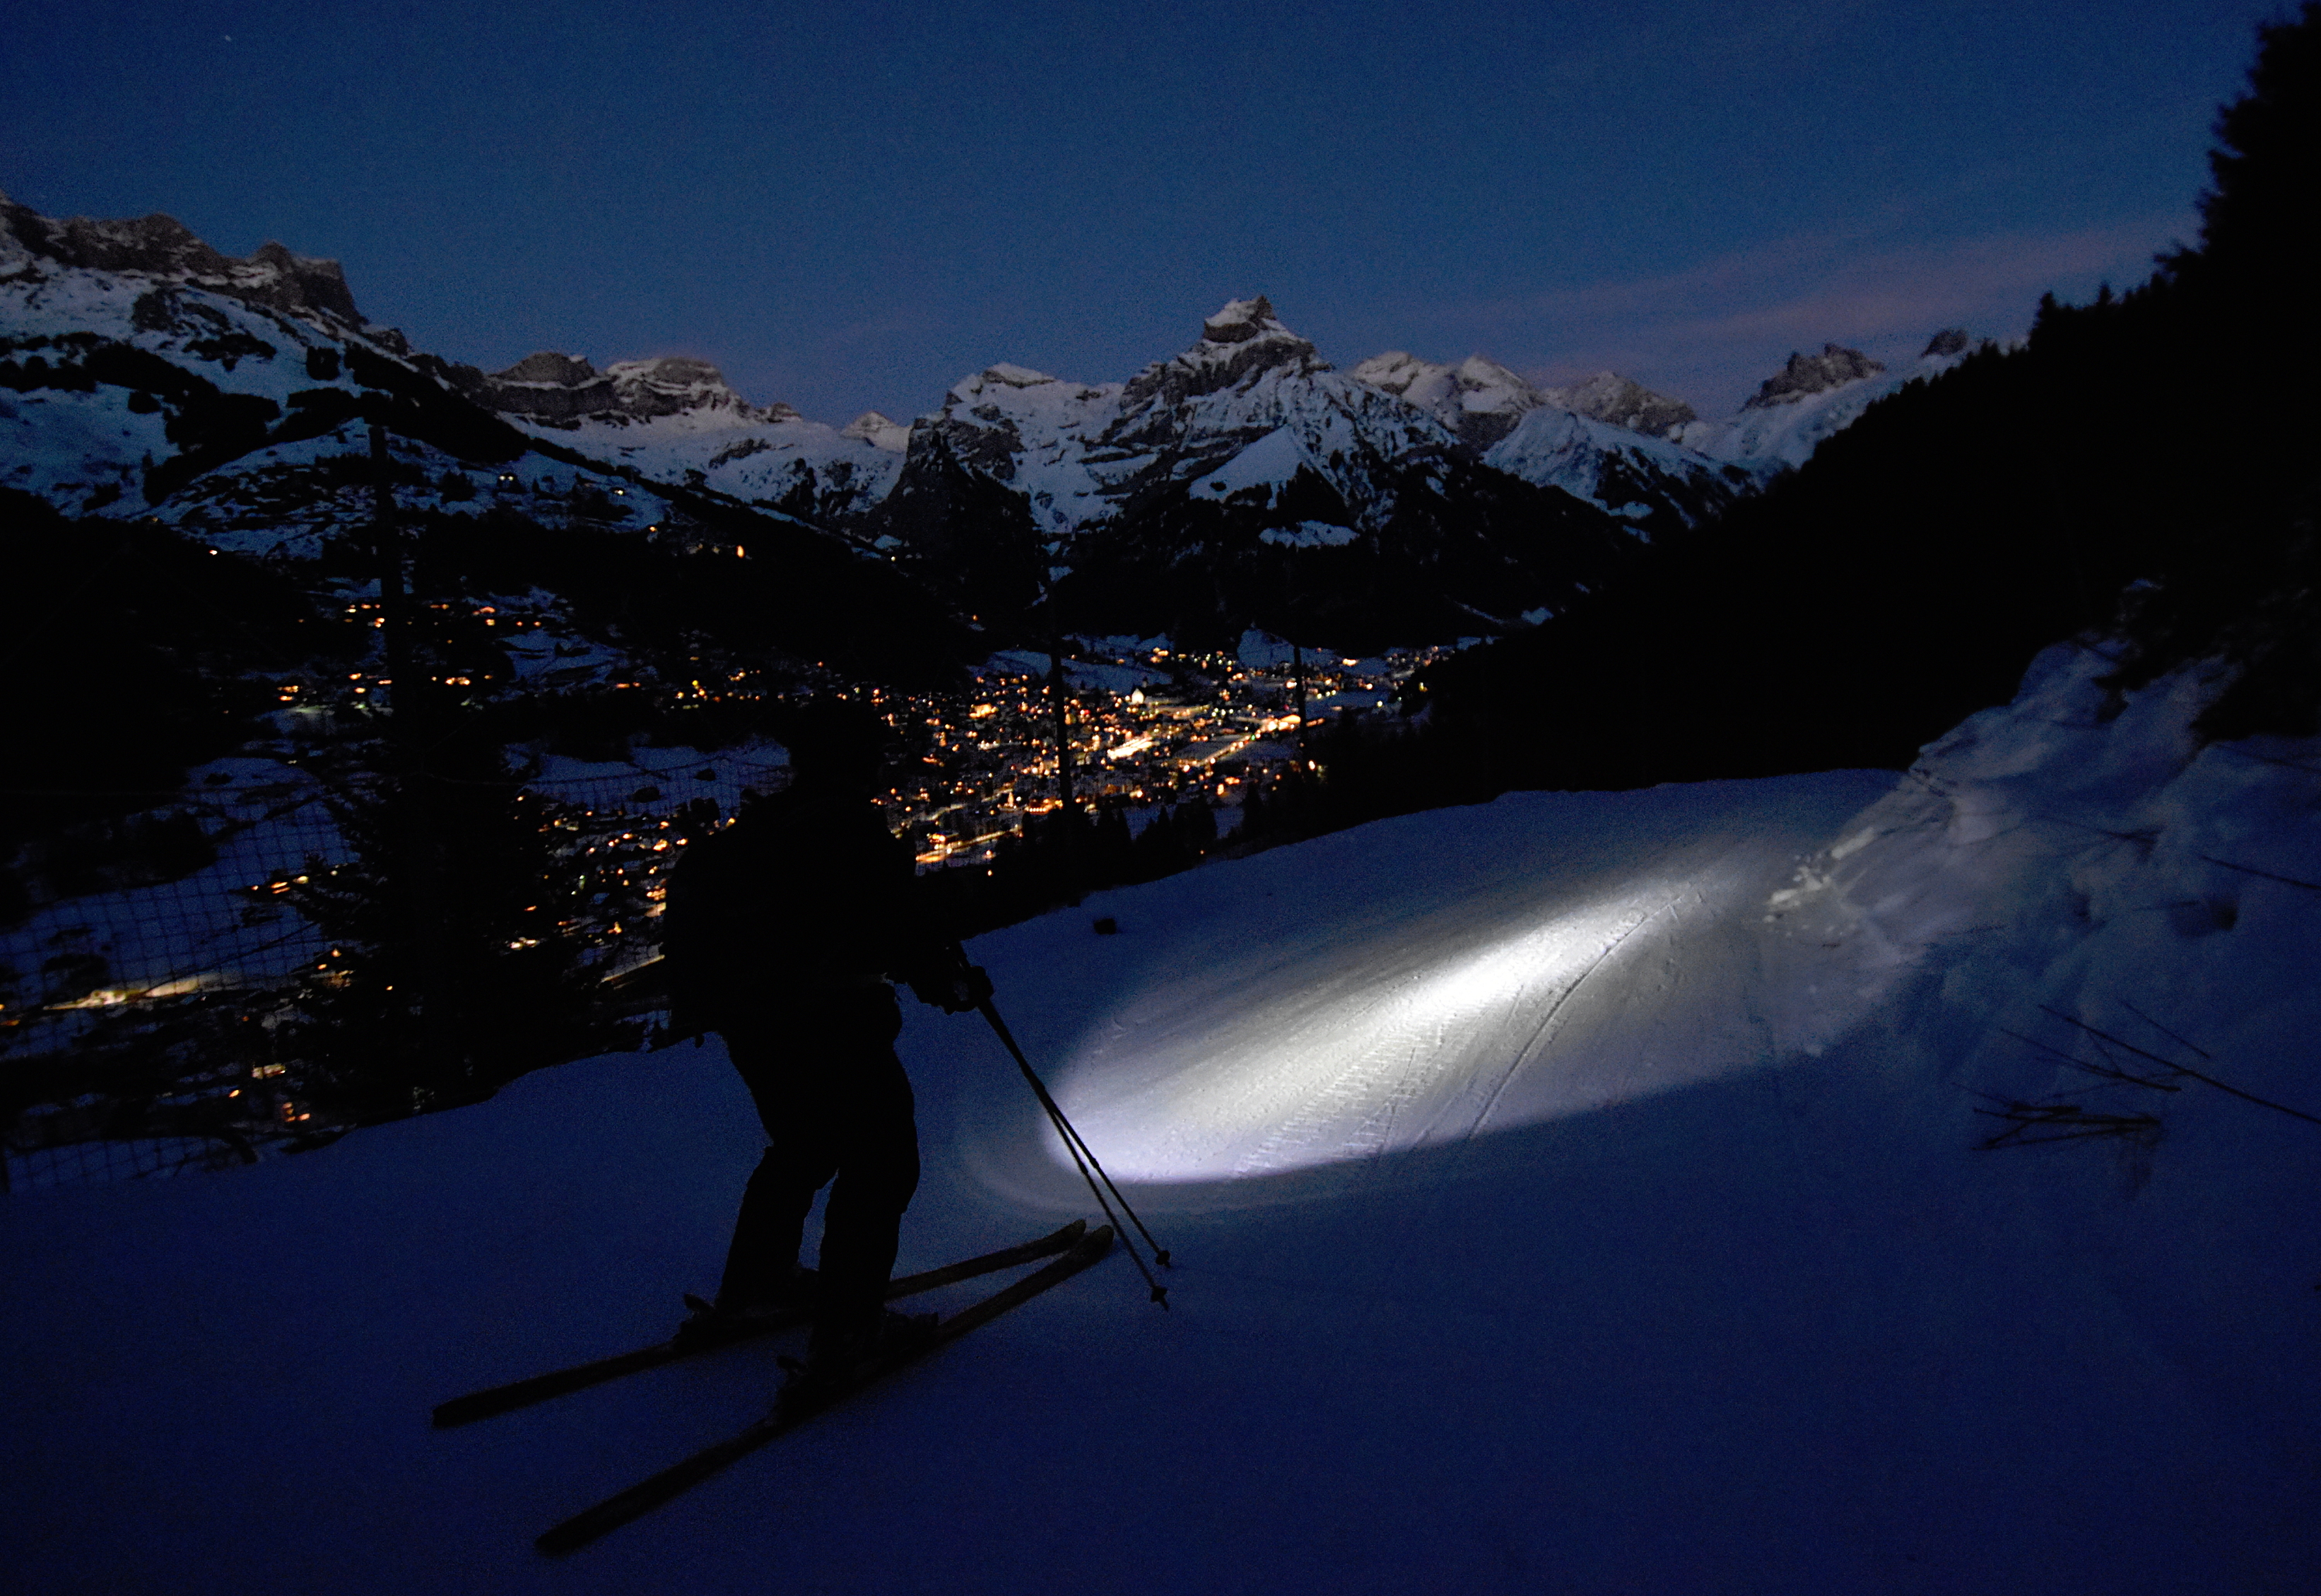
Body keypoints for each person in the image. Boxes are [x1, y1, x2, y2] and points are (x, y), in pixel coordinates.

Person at [660, 699, 990, 1382]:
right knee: (881, 1161)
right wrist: (951, 983)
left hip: (752, 1025)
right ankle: (846, 1330)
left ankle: (759, 1281)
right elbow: (894, 929)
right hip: (828, 1023)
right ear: (858, 760)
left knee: (804, 1145)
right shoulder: (847, 830)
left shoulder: (763, 826)